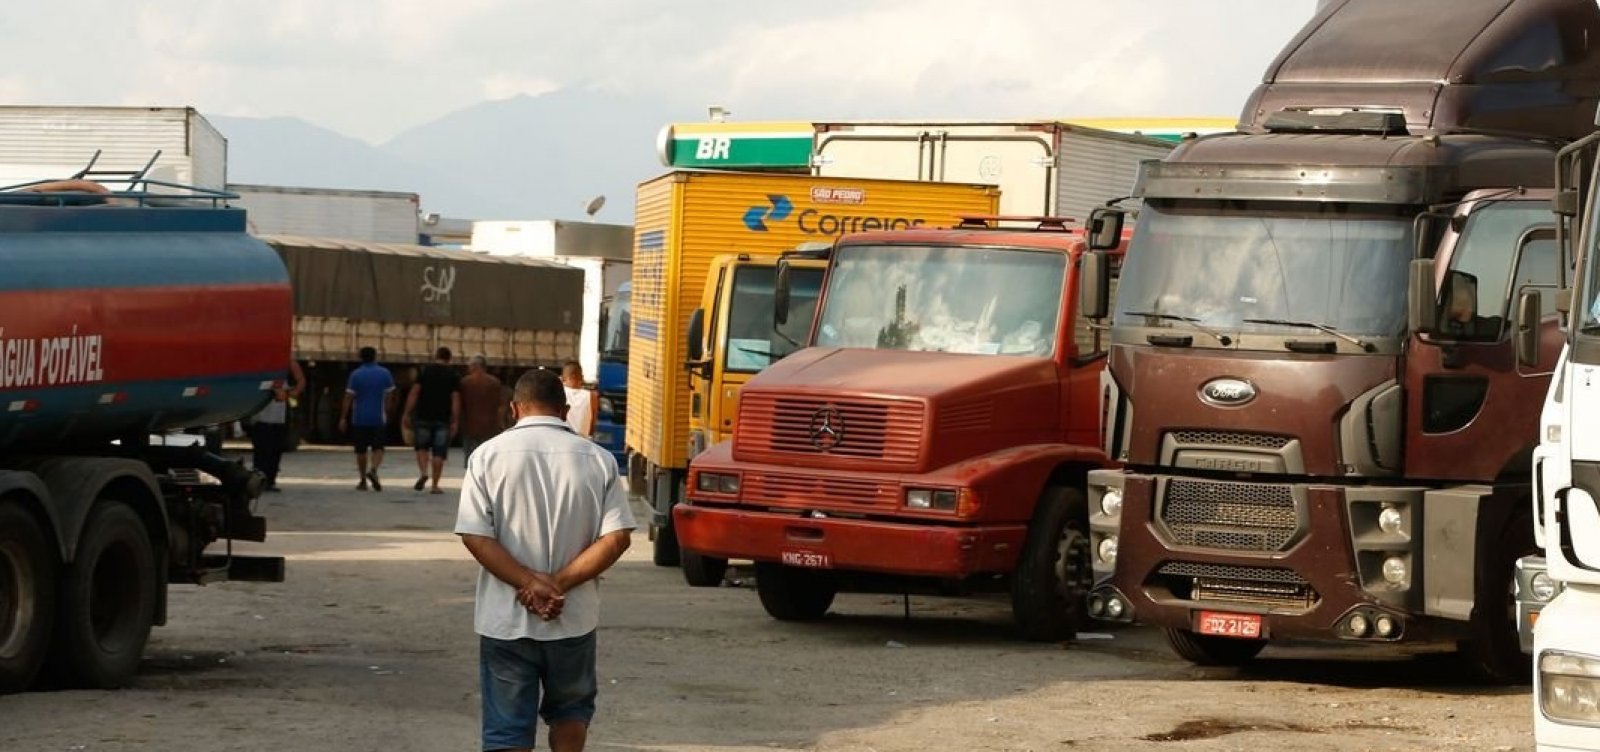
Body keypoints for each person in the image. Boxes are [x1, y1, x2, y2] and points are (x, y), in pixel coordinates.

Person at [455, 369, 635, 752]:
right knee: (571, 711)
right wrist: (559, 585)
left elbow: (475, 534)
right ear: (565, 409)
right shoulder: (599, 459)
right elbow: (617, 537)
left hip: (506, 620)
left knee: (507, 730)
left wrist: (529, 583)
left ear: (515, 408)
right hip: (572, 617)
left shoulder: (486, 456)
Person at [404, 347, 462, 494]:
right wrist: (455, 420)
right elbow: (455, 399)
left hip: (423, 416)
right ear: (449, 358)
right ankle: (435, 485)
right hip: (443, 419)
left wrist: (406, 413)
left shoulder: (425, 371)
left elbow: (414, 393)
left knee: (422, 447)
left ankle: (424, 472)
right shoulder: (453, 375)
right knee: (439, 453)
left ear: (436, 356)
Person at [340, 346, 396, 492]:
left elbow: (348, 397)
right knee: (378, 448)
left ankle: (363, 480)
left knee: (361, 450)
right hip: (378, 417)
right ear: (375, 356)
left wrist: (343, 417)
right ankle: (374, 469)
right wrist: (388, 410)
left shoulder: (356, 375)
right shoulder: (385, 373)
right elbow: (390, 395)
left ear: (361, 357)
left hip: (360, 418)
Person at [250, 360, 306, 492]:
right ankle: (260, 480)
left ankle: (270, 480)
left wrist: (292, 393)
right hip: (261, 415)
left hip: (278, 415)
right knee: (262, 450)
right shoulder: (261, 362)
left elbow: (301, 380)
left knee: (275, 449)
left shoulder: (287, 361)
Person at [460, 354, 509, 466]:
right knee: (487, 458)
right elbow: (501, 405)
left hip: (470, 426)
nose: (468, 368)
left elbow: (461, 405)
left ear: (476, 366)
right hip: (490, 426)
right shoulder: (495, 382)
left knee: (470, 458)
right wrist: (500, 421)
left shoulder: (465, 382)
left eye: (470, 366)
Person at [561, 361, 597, 439]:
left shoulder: (559, 393)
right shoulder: (592, 396)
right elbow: (592, 427)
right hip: (583, 443)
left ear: (563, 378)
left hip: (563, 441)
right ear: (582, 377)